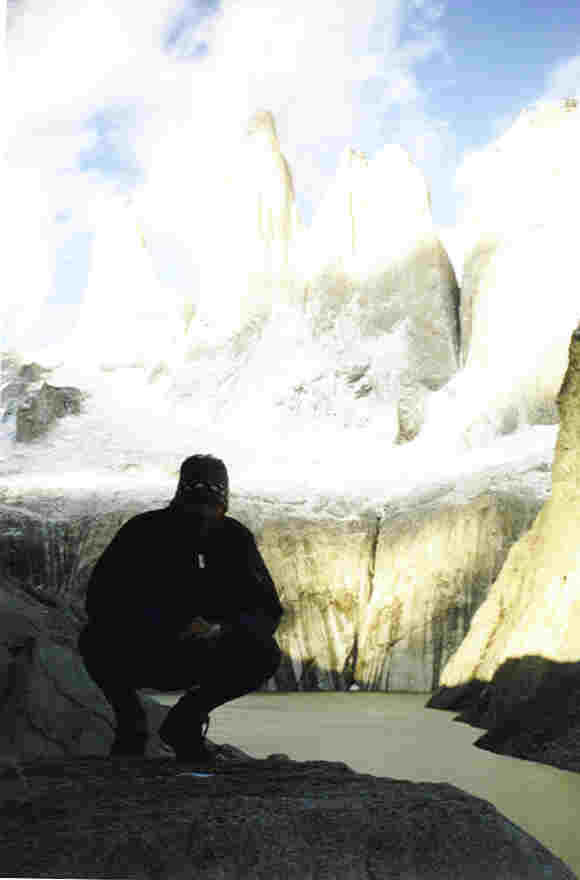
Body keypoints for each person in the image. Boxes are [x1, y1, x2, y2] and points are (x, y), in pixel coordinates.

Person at [78, 454, 283, 763]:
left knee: (263, 651)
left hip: (209, 650)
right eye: (195, 504)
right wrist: (167, 626)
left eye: (210, 506)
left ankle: (185, 721)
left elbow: (266, 609)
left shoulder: (235, 538)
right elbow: (102, 600)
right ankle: (131, 723)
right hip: (144, 647)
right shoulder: (142, 532)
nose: (202, 514)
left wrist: (222, 629)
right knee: (95, 639)